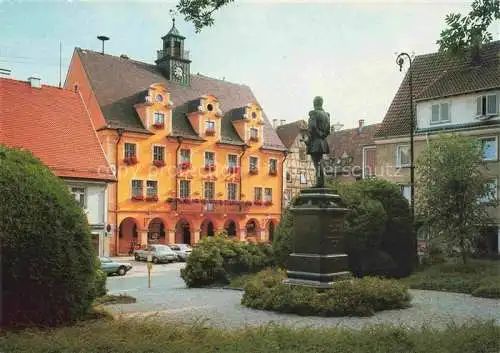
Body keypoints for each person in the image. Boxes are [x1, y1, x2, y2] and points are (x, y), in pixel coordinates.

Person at [307, 96, 331, 188]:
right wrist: (322, 135)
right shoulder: (326, 115)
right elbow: (328, 131)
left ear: (314, 103)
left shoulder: (314, 113)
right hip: (323, 142)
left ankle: (319, 183)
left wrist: (312, 137)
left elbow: (312, 127)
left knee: (316, 163)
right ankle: (321, 183)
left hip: (315, 142)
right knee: (320, 162)